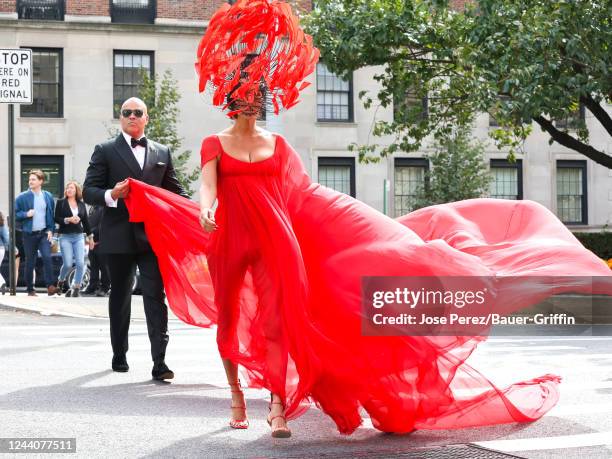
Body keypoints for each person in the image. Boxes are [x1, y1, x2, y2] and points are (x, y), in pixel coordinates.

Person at [123, 0, 612, 439]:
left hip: (278, 240)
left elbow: (301, 195)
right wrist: (207, 208)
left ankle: (275, 405)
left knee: (277, 325)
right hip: (230, 238)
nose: (253, 98)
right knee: (231, 321)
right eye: (246, 91)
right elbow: (208, 183)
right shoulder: (215, 143)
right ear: (233, 96)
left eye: (258, 91)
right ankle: (235, 397)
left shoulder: (279, 145)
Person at [83, 96, 189, 380]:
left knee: (155, 296)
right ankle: (119, 354)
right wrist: (111, 195)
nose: (131, 116)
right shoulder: (105, 150)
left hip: (153, 236)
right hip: (117, 235)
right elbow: (88, 191)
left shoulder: (162, 152)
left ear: (146, 118)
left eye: (137, 112)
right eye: (126, 112)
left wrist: (198, 214)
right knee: (120, 295)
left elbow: (176, 192)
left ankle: (160, 363)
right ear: (121, 118)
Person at [15, 169, 58, 296]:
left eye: (33, 179)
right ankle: (30, 289)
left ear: (41, 181)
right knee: (30, 261)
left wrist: (51, 230)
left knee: (47, 257)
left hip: (44, 233)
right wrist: (26, 214)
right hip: (29, 234)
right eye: (29, 179)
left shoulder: (48, 196)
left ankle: (50, 286)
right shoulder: (22, 197)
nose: (30, 181)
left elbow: (50, 215)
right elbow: (14, 213)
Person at [54, 181, 93, 297]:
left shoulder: (81, 204)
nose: (69, 190)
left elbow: (86, 222)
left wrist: (90, 238)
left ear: (76, 190)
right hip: (65, 237)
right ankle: (60, 281)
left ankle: (76, 287)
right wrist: (68, 219)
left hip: (79, 236)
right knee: (68, 264)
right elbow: (56, 218)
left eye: (71, 188)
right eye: (67, 188)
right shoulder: (61, 203)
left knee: (81, 263)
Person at [82, 205, 110, 297]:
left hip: (102, 242)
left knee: (104, 267)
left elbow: (101, 226)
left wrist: (89, 233)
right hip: (92, 242)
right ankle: (92, 287)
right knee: (94, 266)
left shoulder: (104, 208)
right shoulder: (93, 208)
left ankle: (105, 288)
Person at [0, 211, 8, 294]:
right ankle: (2, 284)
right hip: (1, 249)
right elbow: (6, 238)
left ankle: (2, 283)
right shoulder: (2, 226)